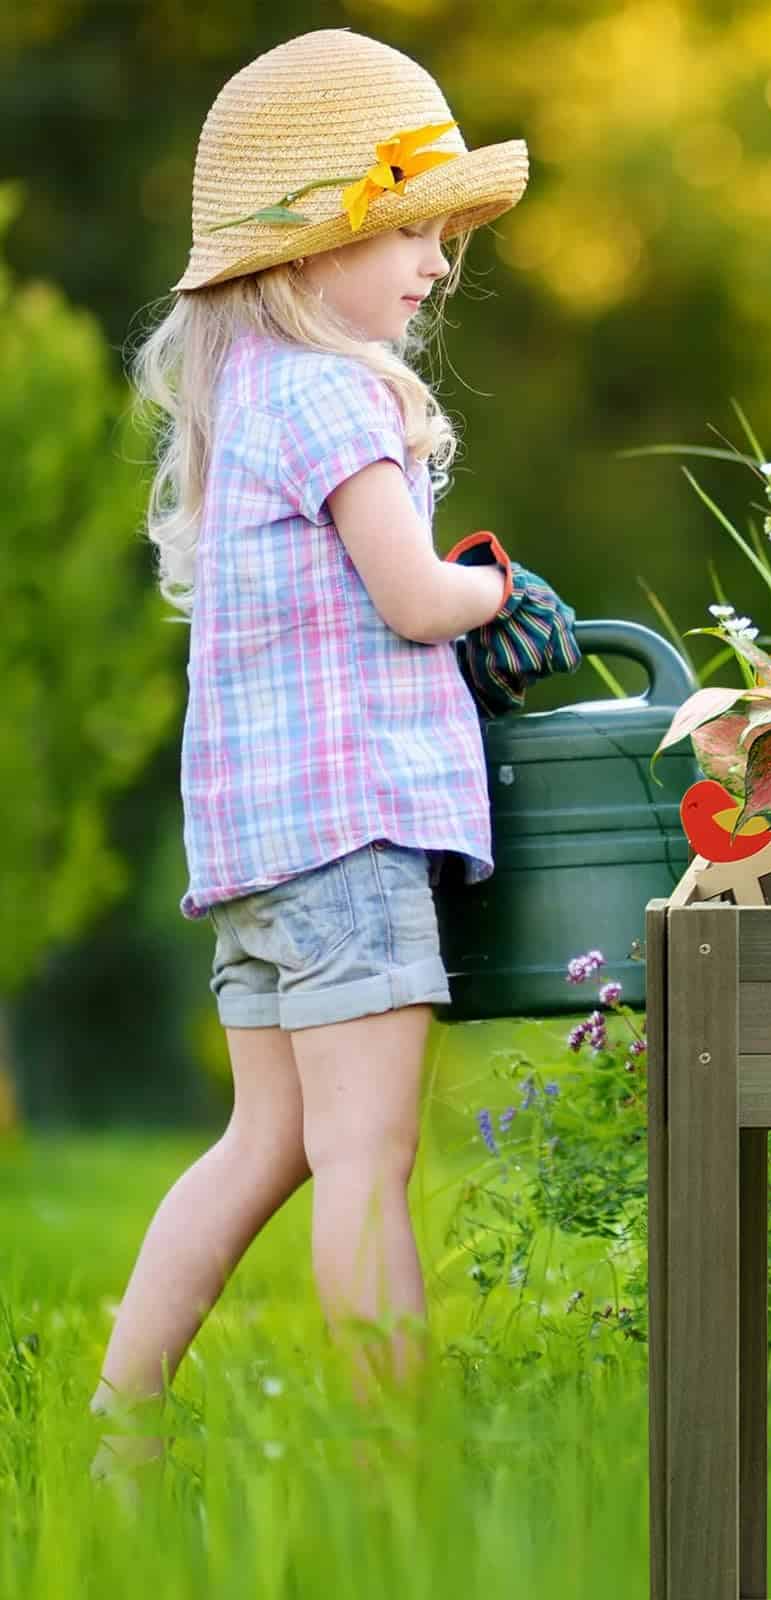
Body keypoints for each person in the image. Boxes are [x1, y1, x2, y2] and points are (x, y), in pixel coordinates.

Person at [90, 27, 535, 1486]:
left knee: (263, 1144)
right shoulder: (342, 398)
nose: (438, 263)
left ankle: (121, 1428)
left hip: (257, 856)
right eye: (410, 228)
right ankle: (393, 1473)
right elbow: (414, 597)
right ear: (318, 242)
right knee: (367, 1160)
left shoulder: (248, 403)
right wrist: (498, 593)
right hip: (350, 841)